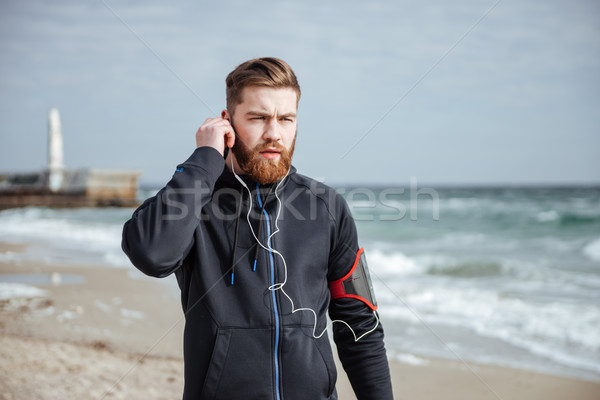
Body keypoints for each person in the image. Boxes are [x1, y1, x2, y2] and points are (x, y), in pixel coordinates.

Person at [122, 57, 393, 400]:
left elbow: (359, 323)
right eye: (258, 118)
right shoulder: (195, 199)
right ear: (227, 122)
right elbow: (152, 254)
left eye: (286, 119)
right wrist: (205, 158)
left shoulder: (326, 206)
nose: (274, 134)